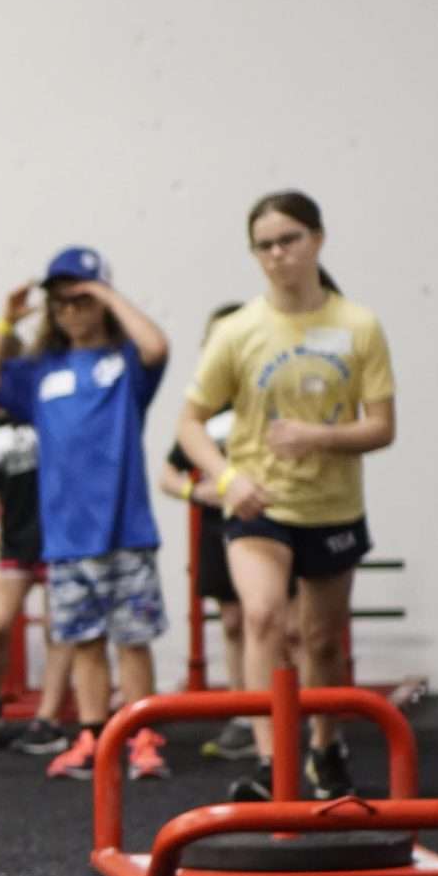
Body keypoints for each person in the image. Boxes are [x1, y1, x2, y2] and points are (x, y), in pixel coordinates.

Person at [177, 191, 394, 801]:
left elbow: (382, 427)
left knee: (322, 640)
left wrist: (318, 436)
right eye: (264, 245)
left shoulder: (358, 326)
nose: (277, 255)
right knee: (264, 616)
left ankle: (326, 748)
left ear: (317, 241)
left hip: (330, 506)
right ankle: (273, 761)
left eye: (289, 240)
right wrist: (227, 480)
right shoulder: (238, 330)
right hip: (258, 504)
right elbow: (188, 424)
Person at [0, 246, 172, 783]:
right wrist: (6, 319)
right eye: (61, 303)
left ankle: (142, 736)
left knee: (132, 639)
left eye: (82, 299)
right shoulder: (40, 371)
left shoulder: (125, 365)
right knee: (82, 641)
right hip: (66, 537)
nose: (72, 311)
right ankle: (93, 735)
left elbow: (156, 345)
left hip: (126, 530)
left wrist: (104, 292)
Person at [159, 300, 291, 763]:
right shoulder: (204, 416)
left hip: (278, 526)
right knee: (236, 622)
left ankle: (295, 712)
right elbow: (168, 475)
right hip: (220, 529)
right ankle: (246, 712)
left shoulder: (274, 405)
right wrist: (202, 494)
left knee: (286, 625)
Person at [0, 335, 73, 753]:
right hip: (17, 539)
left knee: (57, 628)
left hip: (61, 535)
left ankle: (48, 717)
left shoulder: (46, 413)